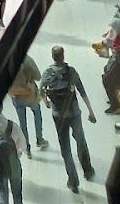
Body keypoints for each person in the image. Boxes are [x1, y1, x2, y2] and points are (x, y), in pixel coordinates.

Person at [40, 45, 97, 193]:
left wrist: (46, 102)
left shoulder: (47, 73)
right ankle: (88, 170)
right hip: (74, 113)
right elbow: (82, 91)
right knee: (80, 141)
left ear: (53, 57)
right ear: (63, 56)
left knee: (65, 148)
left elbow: (41, 93)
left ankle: (73, 181)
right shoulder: (71, 72)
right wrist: (90, 111)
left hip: (58, 116)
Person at [8, 53, 48, 156]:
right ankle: (39, 139)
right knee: (37, 113)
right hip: (30, 95)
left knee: (23, 122)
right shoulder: (27, 59)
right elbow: (38, 77)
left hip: (16, 96)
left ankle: (27, 148)